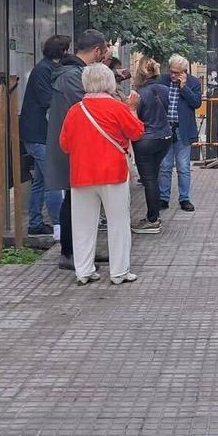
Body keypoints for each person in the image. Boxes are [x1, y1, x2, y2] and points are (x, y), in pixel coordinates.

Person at [58, 63, 144, 285]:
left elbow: (64, 145)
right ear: (109, 83)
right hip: (113, 173)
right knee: (118, 222)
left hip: (81, 175)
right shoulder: (117, 108)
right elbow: (136, 132)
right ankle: (119, 272)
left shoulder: (75, 110)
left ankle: (84, 271)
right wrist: (132, 109)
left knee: (83, 224)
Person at [46, 29, 112, 270]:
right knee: (74, 200)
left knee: (79, 199)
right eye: (103, 53)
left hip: (75, 145)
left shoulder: (71, 72)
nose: (103, 58)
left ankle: (81, 251)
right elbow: (90, 105)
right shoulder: (72, 75)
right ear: (96, 51)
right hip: (72, 147)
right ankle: (70, 252)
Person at [18, 35, 71, 235]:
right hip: (38, 134)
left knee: (40, 181)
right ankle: (59, 225)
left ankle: (35, 223)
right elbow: (47, 99)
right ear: (61, 51)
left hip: (40, 134)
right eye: (66, 49)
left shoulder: (48, 68)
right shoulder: (43, 70)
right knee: (53, 179)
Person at [130, 57, 172, 233]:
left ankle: (152, 220)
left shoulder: (139, 94)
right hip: (165, 137)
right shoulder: (165, 89)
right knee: (153, 177)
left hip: (146, 139)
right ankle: (154, 216)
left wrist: (131, 109)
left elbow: (134, 121)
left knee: (149, 180)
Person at [158, 54, 203, 212]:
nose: (173, 75)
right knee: (165, 165)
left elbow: (196, 103)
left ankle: (184, 198)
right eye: (171, 71)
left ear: (184, 72)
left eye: (177, 73)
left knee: (183, 166)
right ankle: (163, 198)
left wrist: (184, 88)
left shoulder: (193, 83)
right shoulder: (162, 80)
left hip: (182, 130)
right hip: (165, 129)